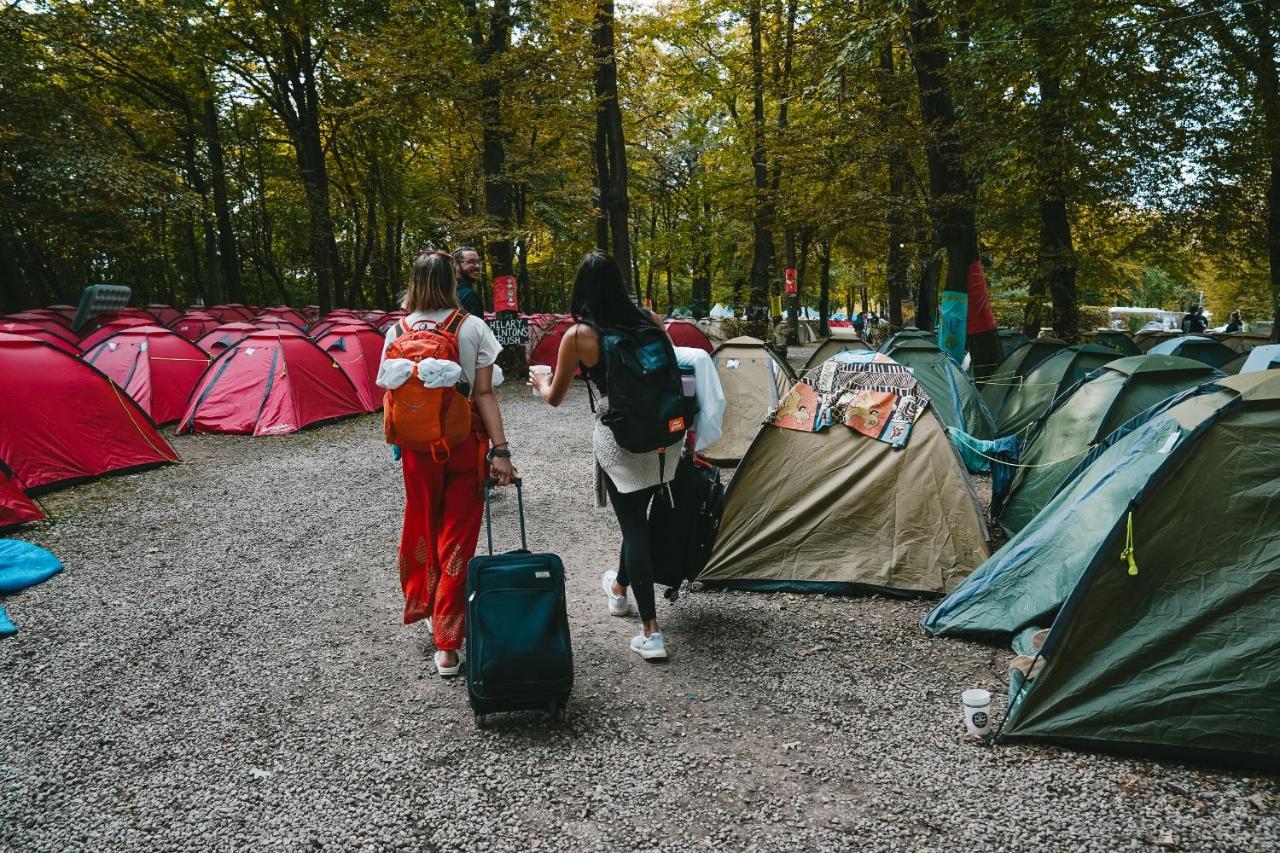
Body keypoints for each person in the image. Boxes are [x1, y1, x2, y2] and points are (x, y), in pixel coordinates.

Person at [528, 251, 680, 661]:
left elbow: (555, 398)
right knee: (638, 524)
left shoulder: (579, 335)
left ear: (581, 288)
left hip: (620, 439)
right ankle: (618, 590)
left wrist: (540, 380)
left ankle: (651, 632)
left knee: (633, 529)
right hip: (665, 436)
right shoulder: (649, 320)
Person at [381, 250, 516, 677]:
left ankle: (427, 608)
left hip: (418, 451)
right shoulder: (471, 326)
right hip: (463, 443)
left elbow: (387, 394)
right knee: (457, 537)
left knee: (422, 524)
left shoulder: (395, 330)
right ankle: (447, 645)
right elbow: (486, 394)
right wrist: (502, 450)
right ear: (450, 280)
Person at [451, 246, 487, 318]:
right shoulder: (470, 296)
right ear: (456, 265)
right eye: (471, 262)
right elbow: (475, 328)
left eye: (478, 262)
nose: (477, 266)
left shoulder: (444, 292)